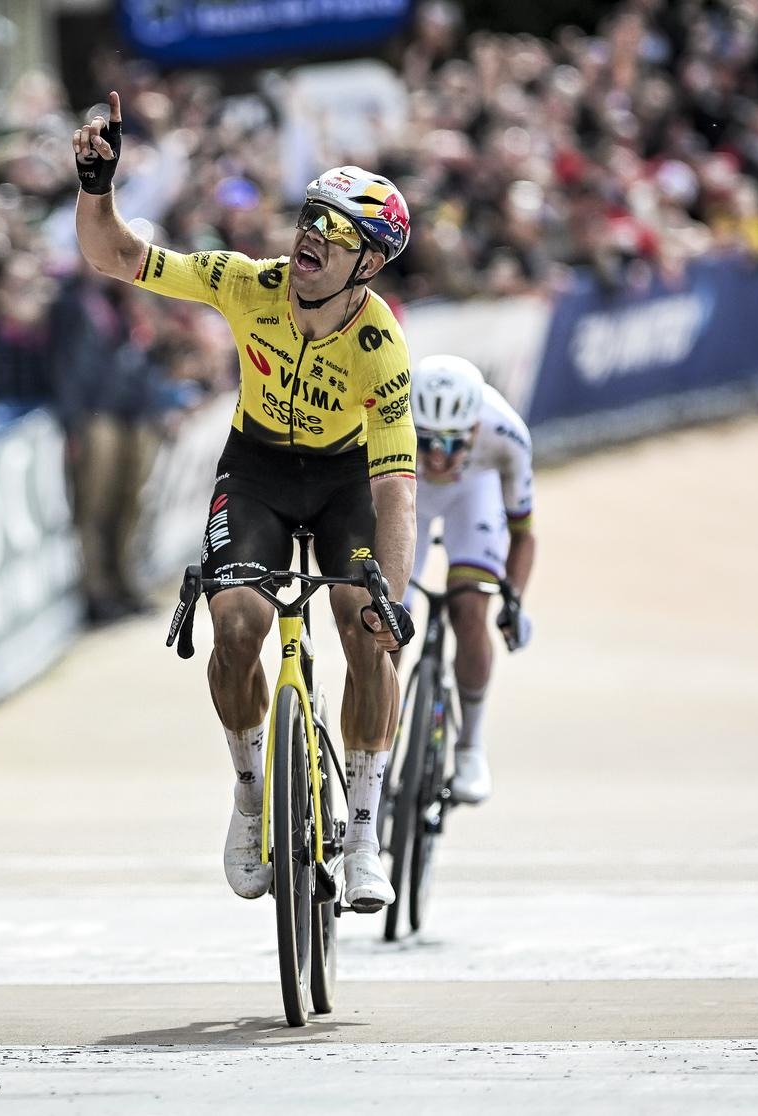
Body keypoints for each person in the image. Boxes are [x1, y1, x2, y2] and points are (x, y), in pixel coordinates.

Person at [73, 92, 418, 912]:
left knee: (366, 634)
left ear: (368, 264)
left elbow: (396, 486)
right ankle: (250, 789)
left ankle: (364, 830)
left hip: (345, 482)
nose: (311, 236)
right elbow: (116, 256)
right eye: (310, 216)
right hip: (258, 468)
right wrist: (96, 185)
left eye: (335, 232)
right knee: (235, 626)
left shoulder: (380, 346)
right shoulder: (246, 282)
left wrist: (390, 600)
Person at [407, 354, 536, 804]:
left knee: (468, 608)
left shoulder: (506, 432)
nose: (438, 456)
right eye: (425, 441)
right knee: (385, 618)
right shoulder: (386, 415)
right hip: (409, 492)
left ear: (475, 430)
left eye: (451, 442)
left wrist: (513, 601)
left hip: (475, 493)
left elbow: (523, 535)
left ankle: (470, 745)